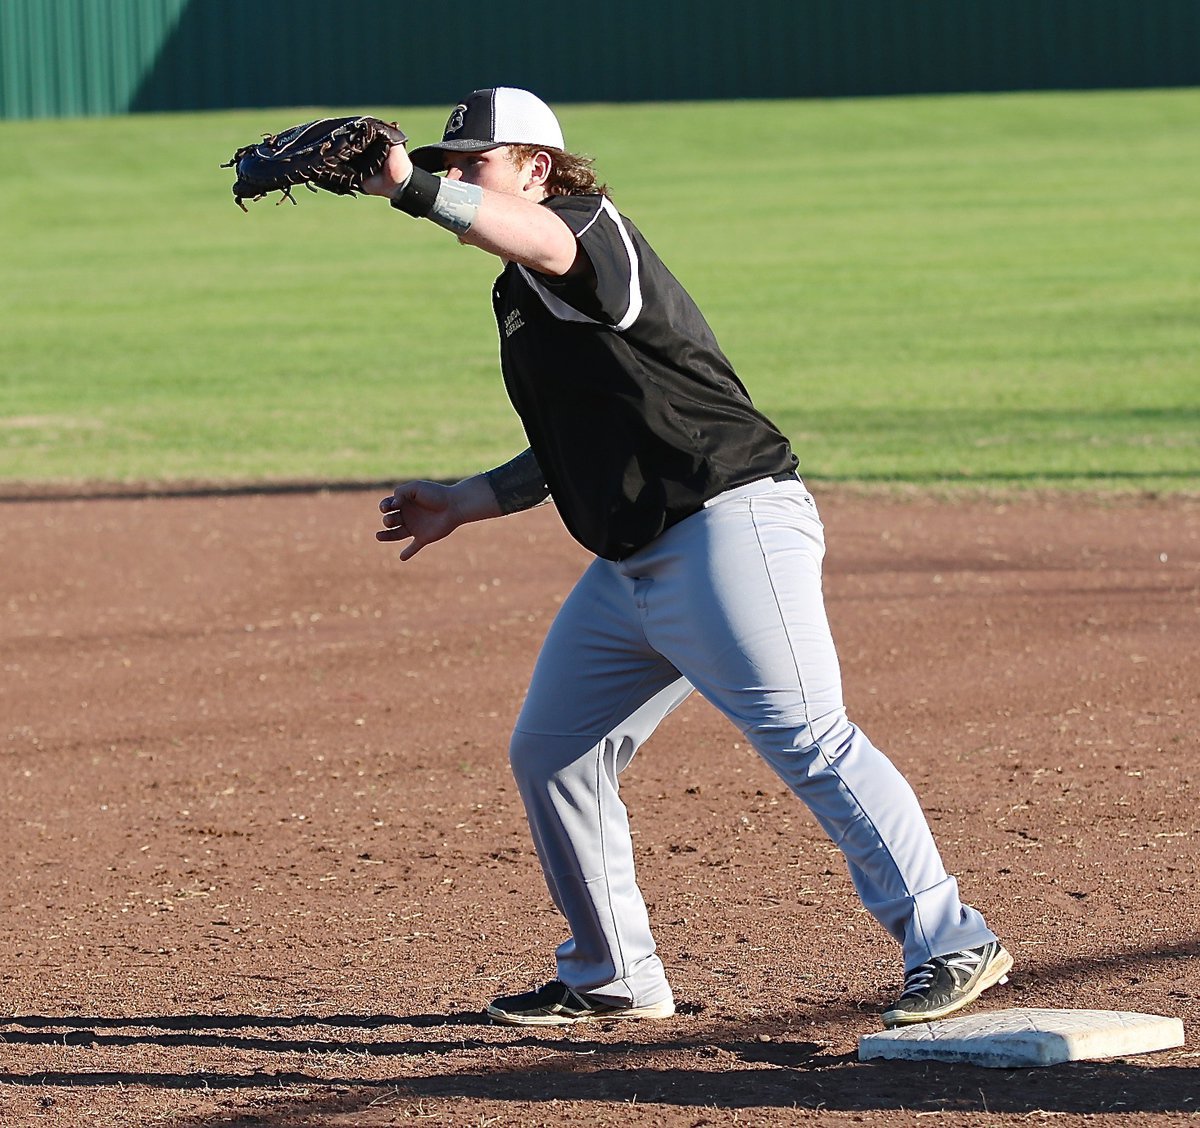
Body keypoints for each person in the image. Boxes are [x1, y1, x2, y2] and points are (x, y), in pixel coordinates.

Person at [363, 87, 1012, 1028]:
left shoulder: (584, 229)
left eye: (475, 164)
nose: (457, 176)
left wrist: (409, 187)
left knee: (812, 740)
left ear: (538, 170)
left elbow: (544, 242)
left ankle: (953, 939)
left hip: (729, 529)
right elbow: (582, 438)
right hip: (631, 565)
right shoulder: (517, 293)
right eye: (448, 163)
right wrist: (467, 501)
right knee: (554, 754)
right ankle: (613, 974)